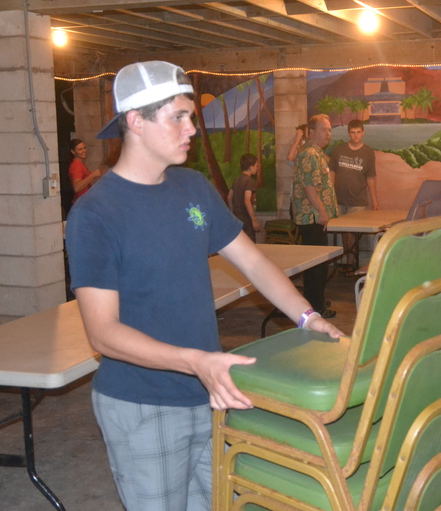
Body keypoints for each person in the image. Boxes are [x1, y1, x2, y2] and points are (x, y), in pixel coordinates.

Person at [65, 60, 343, 510]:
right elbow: (103, 333)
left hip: (210, 390)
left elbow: (252, 260)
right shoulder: (96, 214)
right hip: (143, 403)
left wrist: (307, 318)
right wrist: (195, 360)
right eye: (178, 116)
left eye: (190, 116)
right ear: (135, 121)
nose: (192, 128)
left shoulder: (193, 187)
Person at [292, 114, 339, 319]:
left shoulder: (316, 153)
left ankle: (316, 300)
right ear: (311, 133)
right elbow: (310, 188)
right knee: (316, 267)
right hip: (312, 218)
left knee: (318, 265)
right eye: (323, 130)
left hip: (315, 217)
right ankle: (315, 308)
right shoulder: (310, 154)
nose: (328, 133)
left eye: (329, 130)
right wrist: (322, 212)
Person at [328, 119, 379, 270]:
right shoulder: (339, 149)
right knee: (344, 231)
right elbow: (332, 172)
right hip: (339, 199)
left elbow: (370, 177)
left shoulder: (368, 152)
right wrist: (330, 195)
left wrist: (375, 201)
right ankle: (348, 260)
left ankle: (352, 262)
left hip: (358, 200)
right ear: (348, 133)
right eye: (352, 133)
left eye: (358, 132)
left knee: (353, 232)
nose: (356, 136)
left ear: (363, 133)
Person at [228, 153, 260, 242]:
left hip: (237, 217)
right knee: (250, 243)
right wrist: (254, 220)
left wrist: (233, 212)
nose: (257, 168)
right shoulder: (249, 181)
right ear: (250, 167)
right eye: (256, 166)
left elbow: (229, 197)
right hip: (246, 219)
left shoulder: (236, 180)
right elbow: (247, 200)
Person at [68, 138, 101, 203]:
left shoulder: (80, 164)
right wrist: (93, 175)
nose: (84, 151)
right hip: (81, 203)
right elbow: (77, 187)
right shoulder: (76, 165)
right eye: (80, 149)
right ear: (73, 151)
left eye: (84, 148)